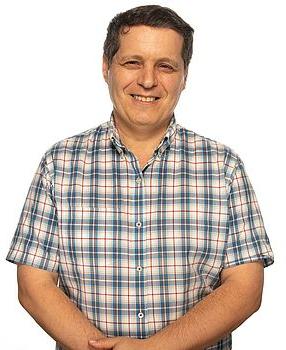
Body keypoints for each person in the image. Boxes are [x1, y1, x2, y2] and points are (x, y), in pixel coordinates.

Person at [6, 5, 274, 350]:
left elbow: (246, 288)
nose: (148, 80)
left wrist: (153, 349)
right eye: (133, 62)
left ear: (184, 75)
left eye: (165, 66)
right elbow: (34, 284)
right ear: (106, 67)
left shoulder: (224, 168)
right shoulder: (58, 165)